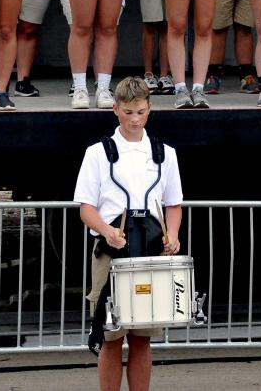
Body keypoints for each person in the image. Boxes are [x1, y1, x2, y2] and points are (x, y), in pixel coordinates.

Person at [75, 76, 183, 391]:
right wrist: (107, 231)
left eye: (141, 112)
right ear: (115, 109)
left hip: (149, 251)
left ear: (149, 109)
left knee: (142, 338)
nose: (135, 120)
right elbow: (86, 208)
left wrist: (172, 233)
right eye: (128, 112)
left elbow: (173, 204)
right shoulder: (97, 153)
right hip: (112, 251)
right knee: (111, 337)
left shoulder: (165, 153)